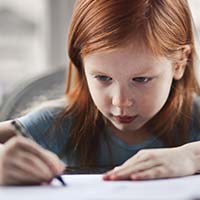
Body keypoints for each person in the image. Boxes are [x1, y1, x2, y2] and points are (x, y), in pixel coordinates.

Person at [0, 0, 200, 185]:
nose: (120, 102)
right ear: (81, 63)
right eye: (103, 78)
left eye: (141, 79)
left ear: (180, 62)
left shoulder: (196, 116)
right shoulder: (60, 122)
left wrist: (192, 157)